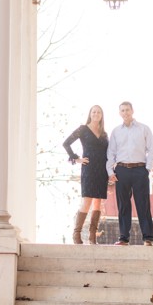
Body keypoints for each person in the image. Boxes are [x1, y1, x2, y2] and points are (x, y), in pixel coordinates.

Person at [106, 101, 153, 246]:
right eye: (122, 110)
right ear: (119, 113)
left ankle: (148, 238)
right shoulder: (116, 131)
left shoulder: (143, 129)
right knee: (123, 205)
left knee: (143, 204)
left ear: (132, 111)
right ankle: (123, 238)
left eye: (127, 110)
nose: (125, 113)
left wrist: (147, 168)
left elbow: (152, 149)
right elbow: (111, 153)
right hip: (121, 170)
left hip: (140, 170)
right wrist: (110, 171)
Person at [63, 105, 110, 244]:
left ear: (102, 115)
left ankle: (92, 235)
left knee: (98, 202)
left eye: (99, 112)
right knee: (87, 200)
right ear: (90, 114)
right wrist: (76, 158)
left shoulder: (104, 134)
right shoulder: (83, 129)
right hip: (89, 169)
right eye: (94, 112)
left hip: (102, 170)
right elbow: (66, 143)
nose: (96, 114)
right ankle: (76, 234)